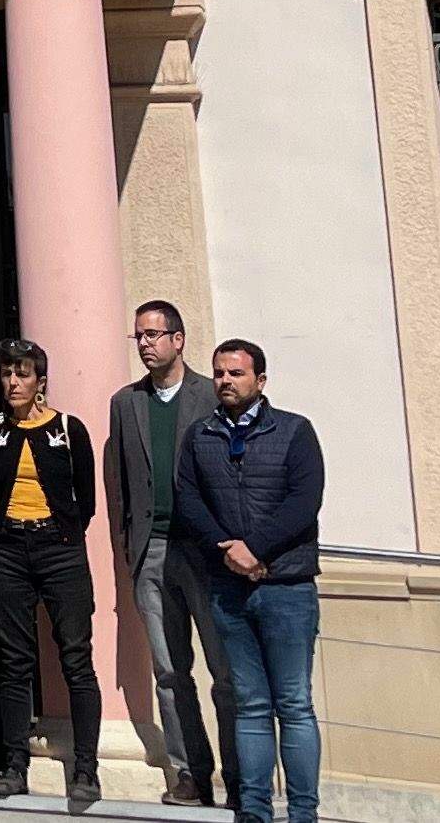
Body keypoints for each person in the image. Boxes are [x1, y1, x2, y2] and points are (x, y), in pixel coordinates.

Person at [173, 342, 327, 823]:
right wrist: (227, 547)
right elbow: (188, 497)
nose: (225, 381)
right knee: (251, 705)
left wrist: (255, 549)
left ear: (260, 380)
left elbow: (304, 500)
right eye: (219, 372)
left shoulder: (295, 431)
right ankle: (254, 810)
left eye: (237, 373)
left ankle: (303, 812)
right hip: (229, 587)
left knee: (294, 704)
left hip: (287, 587)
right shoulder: (201, 436)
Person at [110, 301, 235, 807]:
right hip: (152, 551)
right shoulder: (127, 402)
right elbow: (116, 479)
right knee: (169, 670)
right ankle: (189, 773)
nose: (145, 344)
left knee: (225, 673)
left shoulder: (211, 395)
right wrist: (128, 546)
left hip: (204, 552)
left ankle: (240, 774)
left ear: (178, 340)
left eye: (154, 335)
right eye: (138, 335)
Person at [0, 338, 103, 805]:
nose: (13, 382)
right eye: (7, 373)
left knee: (76, 657)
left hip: (60, 549)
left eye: (22, 374)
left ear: (40, 382)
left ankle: (86, 769)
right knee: (14, 661)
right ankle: (14, 765)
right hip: (7, 549)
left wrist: (59, 532)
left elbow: (85, 500)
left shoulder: (69, 429)